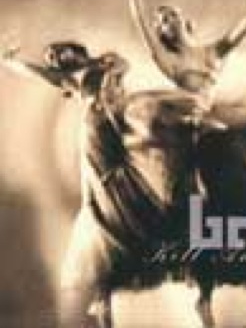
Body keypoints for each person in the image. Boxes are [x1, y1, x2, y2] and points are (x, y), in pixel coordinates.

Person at [1, 42, 198, 327]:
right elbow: (42, 74)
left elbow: (123, 66)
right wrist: (13, 62)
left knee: (133, 211)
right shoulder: (74, 80)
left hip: (111, 141)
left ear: (73, 51)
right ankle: (105, 299)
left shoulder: (104, 65)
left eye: (59, 53)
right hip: (92, 141)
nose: (57, 59)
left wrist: (107, 77)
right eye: (53, 58)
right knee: (99, 215)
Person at [128, 0, 246, 127]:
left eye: (173, 14)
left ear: (183, 19)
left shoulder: (213, 51)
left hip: (206, 113)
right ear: (162, 32)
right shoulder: (169, 60)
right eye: (164, 20)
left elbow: (240, 30)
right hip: (180, 116)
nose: (170, 20)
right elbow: (140, 21)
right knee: (142, 101)